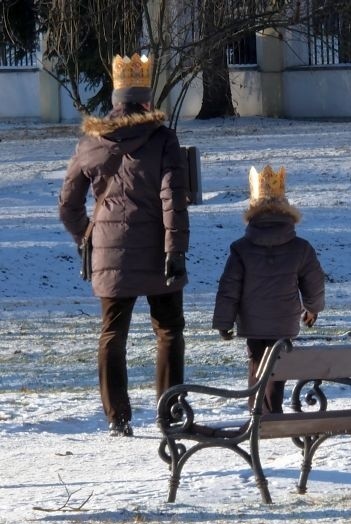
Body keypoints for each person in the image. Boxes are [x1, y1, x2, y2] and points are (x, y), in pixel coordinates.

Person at [58, 53, 189, 437]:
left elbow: (67, 205)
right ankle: (169, 411)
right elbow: (172, 198)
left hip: (109, 250)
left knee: (113, 332)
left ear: (115, 100)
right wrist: (175, 249)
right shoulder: (163, 139)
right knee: (168, 330)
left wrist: (88, 235)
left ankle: (118, 417)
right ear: (145, 100)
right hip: (158, 249)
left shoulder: (90, 142)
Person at [213, 165, 325, 414]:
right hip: (284, 321)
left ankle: (257, 413)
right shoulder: (301, 248)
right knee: (277, 367)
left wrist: (224, 321)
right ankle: (272, 411)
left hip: (252, 321)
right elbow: (314, 281)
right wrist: (313, 308)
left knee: (256, 364)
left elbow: (229, 288)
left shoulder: (241, 248)